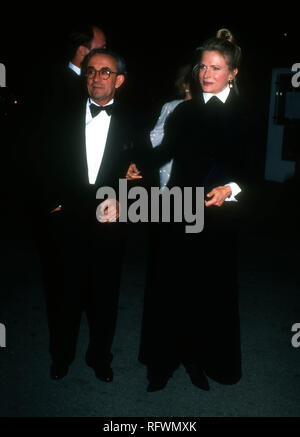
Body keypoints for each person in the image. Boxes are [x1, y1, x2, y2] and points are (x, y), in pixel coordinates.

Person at [133, 28, 256, 392]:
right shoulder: (184, 112)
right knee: (169, 290)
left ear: (232, 73)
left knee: (206, 295)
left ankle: (198, 360)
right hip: (176, 210)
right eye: (202, 67)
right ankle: (162, 363)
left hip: (218, 219)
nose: (205, 74)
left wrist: (230, 189)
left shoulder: (245, 116)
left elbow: (252, 171)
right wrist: (132, 152)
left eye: (216, 68)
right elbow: (161, 154)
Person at [30, 48, 144, 382]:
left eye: (105, 72)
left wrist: (126, 202)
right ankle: (61, 356)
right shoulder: (59, 115)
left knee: (104, 297)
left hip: (110, 221)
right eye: (91, 71)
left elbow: (146, 171)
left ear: (119, 80)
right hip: (66, 218)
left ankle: (99, 358)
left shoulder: (136, 122)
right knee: (64, 294)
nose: (96, 77)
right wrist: (51, 202)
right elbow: (39, 161)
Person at [150, 64, 193, 188]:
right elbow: (155, 135)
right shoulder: (172, 106)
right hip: (171, 162)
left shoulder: (205, 108)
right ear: (184, 85)